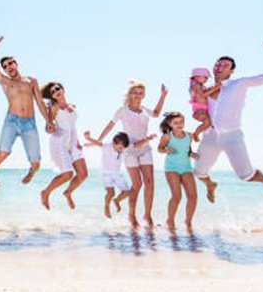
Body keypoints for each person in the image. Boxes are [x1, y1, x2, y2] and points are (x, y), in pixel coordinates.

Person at [194, 32, 263, 202]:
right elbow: (198, 111)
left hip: (232, 136)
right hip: (210, 136)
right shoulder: (203, 90)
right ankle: (210, 184)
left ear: (231, 71)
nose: (220, 66)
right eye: (218, 64)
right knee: (199, 172)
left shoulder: (239, 84)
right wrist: (198, 115)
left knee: (246, 175)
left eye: (225, 65)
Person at [92, 80, 168, 228]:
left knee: (149, 182)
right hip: (130, 150)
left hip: (145, 148)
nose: (137, 95)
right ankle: (131, 214)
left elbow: (157, 113)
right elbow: (110, 126)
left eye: (140, 93)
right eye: (134, 93)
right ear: (129, 94)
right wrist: (98, 140)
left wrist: (163, 96)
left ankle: (147, 215)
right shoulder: (122, 111)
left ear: (143, 95)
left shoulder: (144, 110)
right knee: (137, 183)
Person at [0, 36, 49, 190]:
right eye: (5, 66)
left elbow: (39, 102)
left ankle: (30, 173)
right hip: (12, 121)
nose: (8, 67)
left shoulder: (31, 81)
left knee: (36, 164)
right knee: (3, 153)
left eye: (10, 63)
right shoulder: (5, 81)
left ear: (16, 64)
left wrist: (48, 121)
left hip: (30, 123)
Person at [39, 82, 88, 211]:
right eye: (53, 92)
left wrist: (77, 141)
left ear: (63, 89)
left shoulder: (71, 106)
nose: (56, 92)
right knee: (67, 174)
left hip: (73, 143)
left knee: (83, 174)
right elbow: (48, 126)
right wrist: (50, 127)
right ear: (52, 96)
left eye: (57, 89)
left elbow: (72, 126)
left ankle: (68, 192)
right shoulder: (54, 107)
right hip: (59, 142)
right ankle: (46, 192)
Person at [83, 131, 146, 219]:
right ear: (113, 143)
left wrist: (147, 139)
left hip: (117, 174)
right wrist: (88, 138)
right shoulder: (107, 147)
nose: (121, 150)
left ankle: (117, 200)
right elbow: (98, 143)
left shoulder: (124, 148)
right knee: (110, 193)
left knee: (127, 192)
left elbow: (135, 145)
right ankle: (106, 207)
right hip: (106, 173)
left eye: (123, 148)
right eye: (119, 148)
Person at [157, 112, 199, 231]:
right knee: (177, 196)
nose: (179, 124)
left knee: (193, 196)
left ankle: (188, 222)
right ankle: (170, 220)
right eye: (176, 123)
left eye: (181, 122)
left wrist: (192, 154)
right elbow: (159, 148)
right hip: (171, 168)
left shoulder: (189, 136)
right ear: (170, 124)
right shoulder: (167, 137)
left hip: (186, 168)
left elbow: (188, 150)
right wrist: (166, 150)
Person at [188, 67, 220, 142]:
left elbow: (205, 92)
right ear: (196, 77)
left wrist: (211, 88)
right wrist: (216, 88)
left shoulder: (200, 85)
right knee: (207, 123)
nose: (206, 79)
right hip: (199, 110)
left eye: (207, 78)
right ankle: (196, 133)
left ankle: (198, 133)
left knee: (209, 123)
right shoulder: (195, 85)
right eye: (205, 77)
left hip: (203, 109)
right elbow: (203, 95)